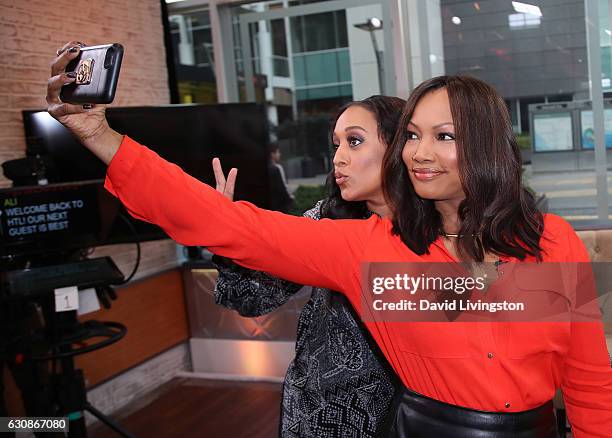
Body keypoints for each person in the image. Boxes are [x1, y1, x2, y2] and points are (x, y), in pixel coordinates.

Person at [47, 42, 612, 437]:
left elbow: (588, 380)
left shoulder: (552, 242)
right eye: (413, 135)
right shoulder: (367, 245)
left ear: (487, 146)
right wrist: (99, 134)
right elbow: (234, 227)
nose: (418, 153)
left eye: (444, 137)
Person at [211, 95, 405, 437]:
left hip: (408, 415)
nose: (338, 158)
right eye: (336, 144)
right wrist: (225, 233)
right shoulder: (324, 219)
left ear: (398, 147)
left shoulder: (440, 232)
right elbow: (250, 298)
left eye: (355, 141)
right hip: (317, 415)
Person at [266, 143, 294, 213]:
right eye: (278, 152)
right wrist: (289, 198)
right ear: (272, 154)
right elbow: (282, 187)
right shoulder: (276, 168)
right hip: (280, 206)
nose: (280, 154)